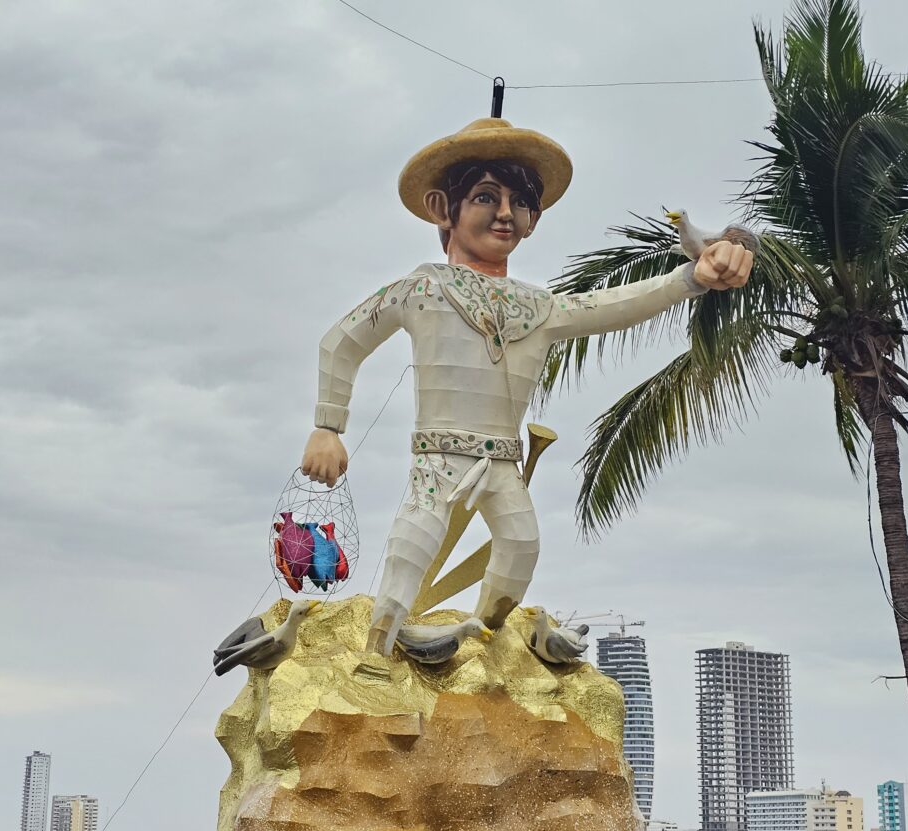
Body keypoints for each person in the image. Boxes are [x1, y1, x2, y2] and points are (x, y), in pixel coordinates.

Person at [300, 118, 753, 657]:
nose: (504, 213)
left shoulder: (540, 307)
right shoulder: (421, 288)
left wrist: (691, 279)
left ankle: (481, 646)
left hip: (504, 462)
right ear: (443, 208)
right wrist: (327, 427)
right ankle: (376, 655)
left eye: (520, 203)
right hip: (438, 457)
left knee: (521, 546)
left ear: (533, 219)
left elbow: (614, 305)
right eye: (485, 197)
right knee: (413, 542)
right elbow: (340, 342)